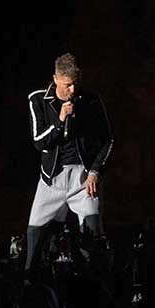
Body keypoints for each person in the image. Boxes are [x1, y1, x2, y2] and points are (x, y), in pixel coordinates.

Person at [24, 52, 114, 271]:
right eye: (67, 85)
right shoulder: (38, 99)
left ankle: (93, 282)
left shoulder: (91, 100)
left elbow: (108, 140)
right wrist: (60, 119)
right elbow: (39, 142)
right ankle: (30, 285)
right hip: (51, 178)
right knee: (34, 237)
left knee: (92, 236)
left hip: (83, 178)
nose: (72, 91)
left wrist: (95, 171)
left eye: (75, 84)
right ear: (55, 79)